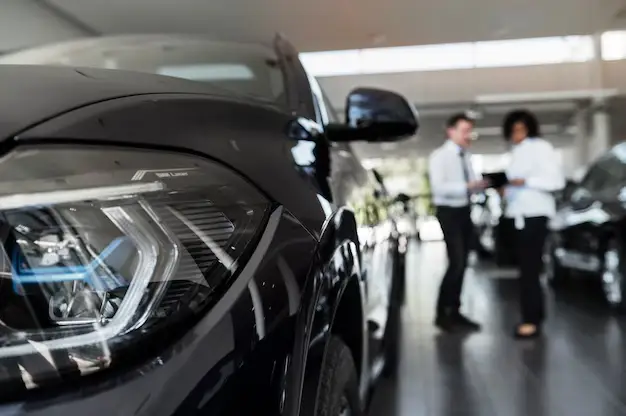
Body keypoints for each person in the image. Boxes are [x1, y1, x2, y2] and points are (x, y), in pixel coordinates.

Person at [501, 109, 565, 339]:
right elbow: (514, 188)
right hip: (519, 215)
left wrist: (525, 181)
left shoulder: (541, 148)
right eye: (514, 129)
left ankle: (531, 320)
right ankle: (532, 316)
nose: (517, 134)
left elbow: (555, 182)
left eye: (521, 129)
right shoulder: (516, 152)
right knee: (526, 270)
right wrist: (506, 189)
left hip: (535, 215)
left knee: (530, 269)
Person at [428, 113, 488, 332]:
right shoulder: (439, 157)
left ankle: (454, 310)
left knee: (463, 262)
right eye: (464, 131)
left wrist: (478, 185)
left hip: (464, 210)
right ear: (450, 131)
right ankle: (442, 313)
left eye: (469, 131)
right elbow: (438, 188)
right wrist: (466, 186)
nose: (467, 135)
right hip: (448, 212)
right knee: (456, 262)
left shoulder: (465, 155)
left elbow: (470, 183)